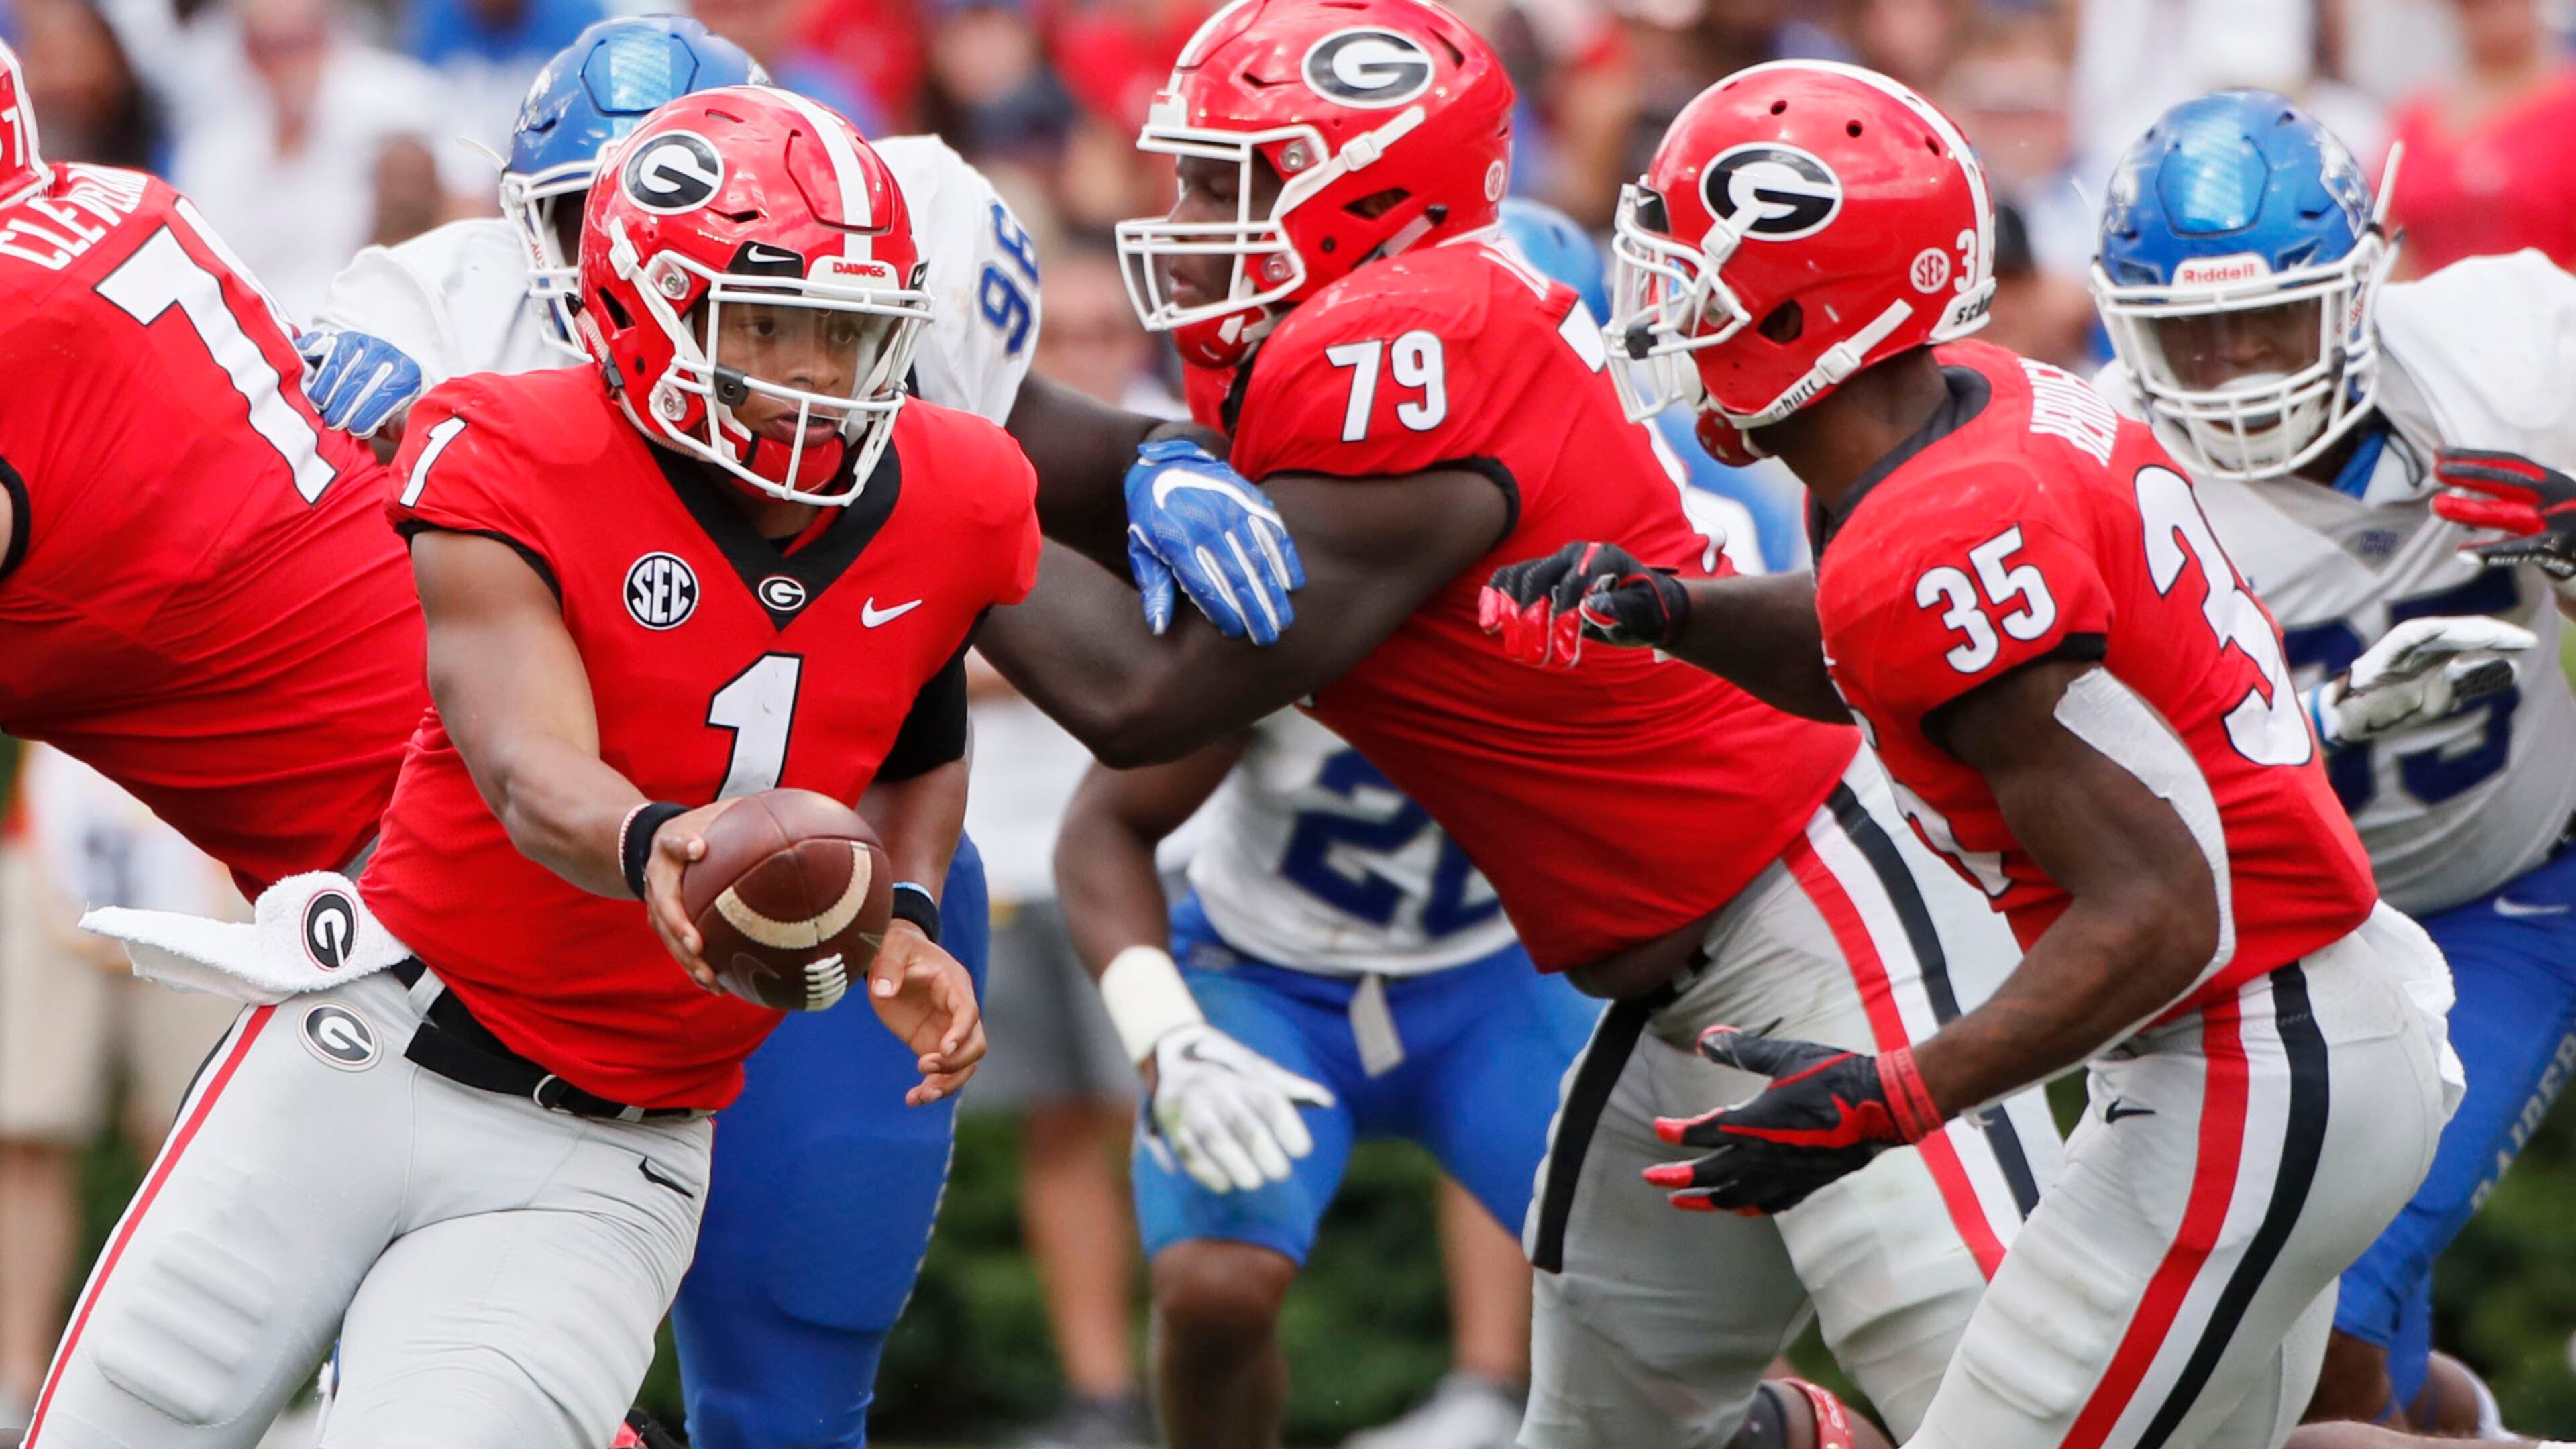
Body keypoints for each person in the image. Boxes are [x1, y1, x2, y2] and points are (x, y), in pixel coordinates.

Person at [974, 5, 2064, 1446]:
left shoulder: (1419, 350)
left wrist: (924, 498)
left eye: (1235, 182)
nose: (1187, 218)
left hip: (1812, 915)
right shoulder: (1342, 335)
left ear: (1365, 202)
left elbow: (1140, 696)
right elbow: (1079, 485)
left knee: (2025, 1413)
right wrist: (992, 415)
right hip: (1670, 974)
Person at [1486, 57, 2534, 1449]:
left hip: (2247, 1052)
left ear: (1810, 303)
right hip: (2296, 1029)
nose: (1663, 298)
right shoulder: (1966, 406)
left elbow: (2162, 906)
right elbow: (1880, 646)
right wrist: (1674, 610)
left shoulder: (1931, 531)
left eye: (1692, 263)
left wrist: (1891, 1098)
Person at [300, 17, 1304, 1447]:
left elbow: (947, 623)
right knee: (449, 1394)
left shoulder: (891, 267)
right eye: (594, 213)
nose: (639, 260)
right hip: (520, 914)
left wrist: (1150, 465)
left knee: (794, 1395)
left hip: (823, 890)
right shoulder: (440, 312)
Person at [24, 87, 1008, 1449]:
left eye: (850, 334)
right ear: (642, 308)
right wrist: (655, 838)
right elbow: (524, 763)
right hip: (360, 1052)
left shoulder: (957, 490)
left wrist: (900, 906)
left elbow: (918, 724)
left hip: (607, 1151)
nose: (819, 377)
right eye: (772, 325)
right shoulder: (508, 447)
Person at [2090, 89, 2576, 1433]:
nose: (2243, 365)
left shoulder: (2509, 361)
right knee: (2337, 1375)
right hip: (2278, 949)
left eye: (2274, 318)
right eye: (2198, 336)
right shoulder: (2088, 472)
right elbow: (2102, 805)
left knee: (2304, 1329)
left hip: (2507, 897)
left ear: (2360, 286)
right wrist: (2325, 723)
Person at [1053, 707, 1603, 1449]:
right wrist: (1166, 1035)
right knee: (1215, 1281)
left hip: (1497, 980)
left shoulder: (1556, 616)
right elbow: (1104, 827)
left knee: (1676, 1296)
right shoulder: (1282, 617)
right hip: (1266, 978)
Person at [0, 749, 240, 1432]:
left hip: (198, 839)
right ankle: (17, 1380)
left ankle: (198, 1383)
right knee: (31, 1122)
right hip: (54, 832)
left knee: (198, 1135)